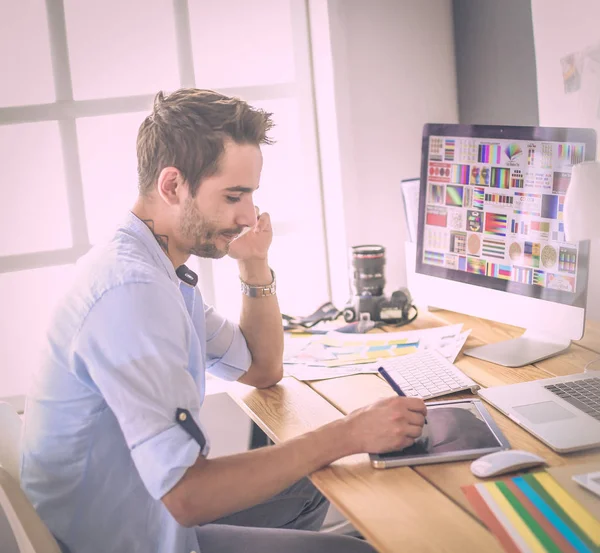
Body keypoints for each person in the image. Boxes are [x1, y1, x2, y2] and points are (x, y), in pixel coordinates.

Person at [20, 88, 427, 553]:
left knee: (310, 488)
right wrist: (347, 432)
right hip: (129, 538)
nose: (249, 215)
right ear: (172, 186)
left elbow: (261, 368)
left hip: (146, 514)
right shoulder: (131, 293)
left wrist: (253, 264)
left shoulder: (158, 267)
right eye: (234, 195)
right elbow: (189, 496)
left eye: (251, 195)